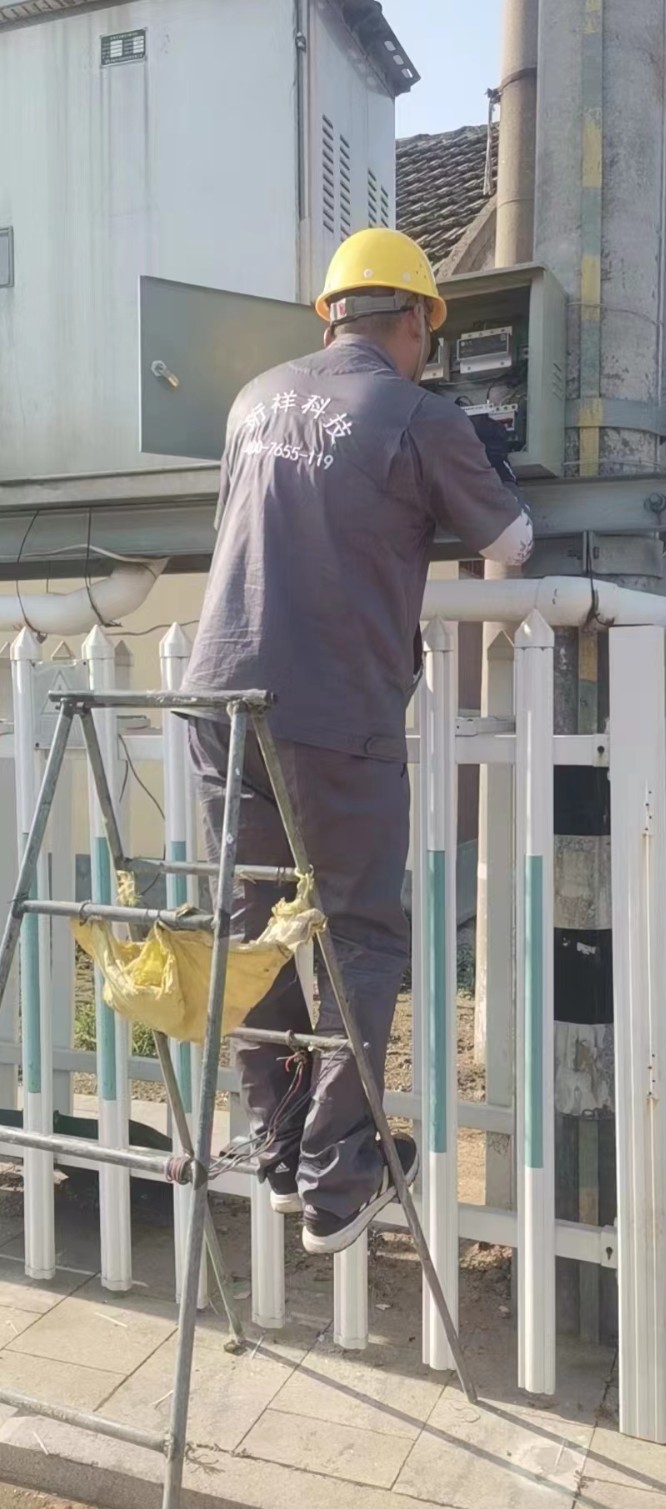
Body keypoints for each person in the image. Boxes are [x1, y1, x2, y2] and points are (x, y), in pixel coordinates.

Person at [183, 228, 533, 1255]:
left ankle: (278, 1146)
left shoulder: (253, 399)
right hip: (330, 710)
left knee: (253, 930)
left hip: (217, 699)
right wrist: (479, 460)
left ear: (330, 316)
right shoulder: (421, 416)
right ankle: (338, 1181)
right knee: (359, 936)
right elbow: (509, 543)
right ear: (417, 319)